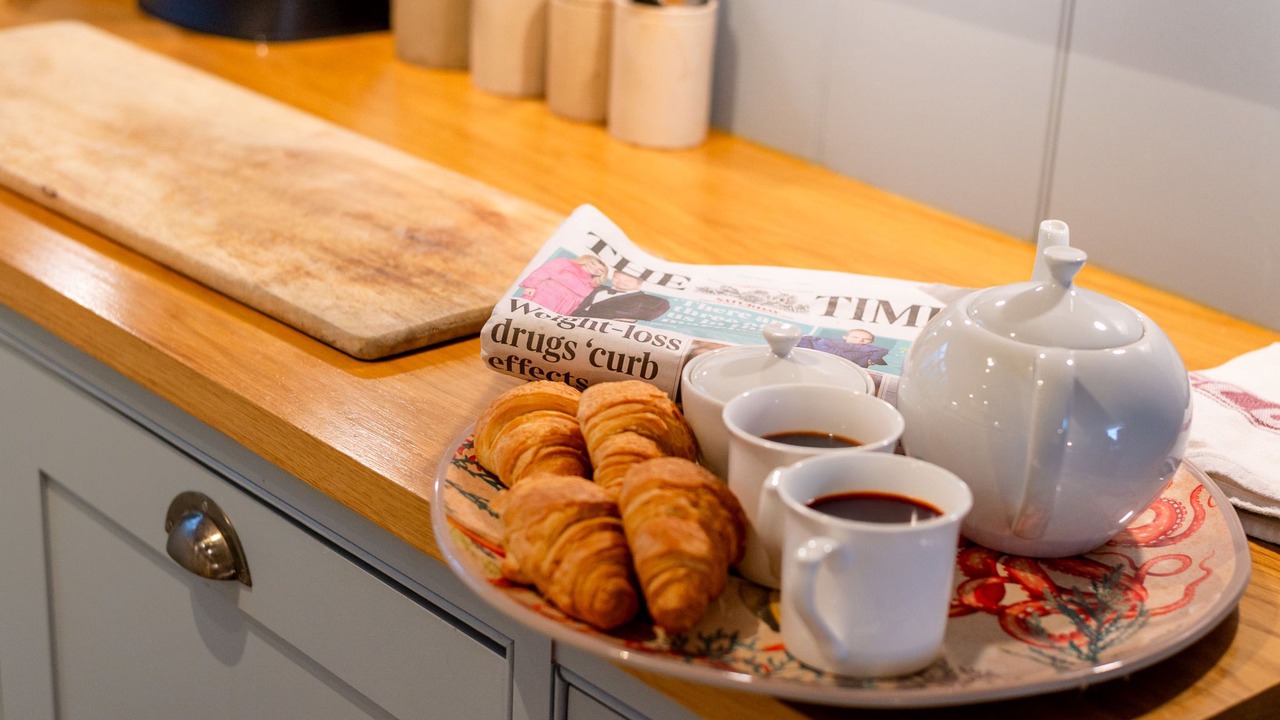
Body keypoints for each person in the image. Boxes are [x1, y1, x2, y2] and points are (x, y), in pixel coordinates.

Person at [517, 254, 608, 315]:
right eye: (593, 264)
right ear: (586, 260)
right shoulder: (565, 263)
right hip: (546, 294)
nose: (595, 268)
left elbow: (581, 301)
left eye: (600, 270)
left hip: (566, 305)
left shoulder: (593, 284)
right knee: (527, 316)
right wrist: (530, 286)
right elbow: (543, 272)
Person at [572, 270, 670, 322]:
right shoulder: (598, 287)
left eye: (627, 281)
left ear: (639, 284)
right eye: (617, 278)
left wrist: (636, 320)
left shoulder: (647, 300)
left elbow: (661, 307)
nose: (620, 283)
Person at [797, 328, 889, 368]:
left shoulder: (871, 350)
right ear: (845, 337)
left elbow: (883, 350)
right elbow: (806, 339)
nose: (860, 341)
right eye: (855, 337)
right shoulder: (828, 341)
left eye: (866, 339)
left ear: (871, 342)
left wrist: (871, 358)